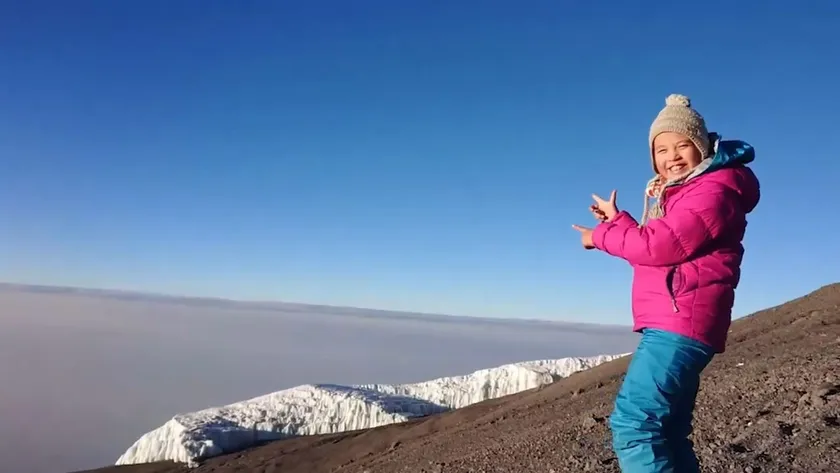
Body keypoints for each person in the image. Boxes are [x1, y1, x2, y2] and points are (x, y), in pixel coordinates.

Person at [571, 93, 761, 473]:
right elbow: (662, 241)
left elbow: (658, 246)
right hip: (685, 321)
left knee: (635, 426)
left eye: (682, 145)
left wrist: (601, 236)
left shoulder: (712, 191)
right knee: (669, 431)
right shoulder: (692, 193)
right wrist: (617, 222)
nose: (671, 156)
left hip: (680, 325)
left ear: (703, 146)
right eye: (661, 149)